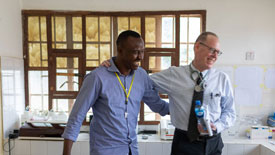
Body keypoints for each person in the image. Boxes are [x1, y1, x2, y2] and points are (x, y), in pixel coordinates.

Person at [101, 32, 236, 155]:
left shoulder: (222, 79)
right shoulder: (174, 75)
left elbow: (230, 112)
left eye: (218, 52)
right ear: (197, 47)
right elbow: (141, 81)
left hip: (214, 143)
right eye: (212, 50)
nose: (215, 56)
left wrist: (217, 126)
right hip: (184, 143)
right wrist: (114, 64)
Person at [62, 30, 169, 155]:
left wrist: (186, 108)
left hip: (132, 150)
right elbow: (77, 116)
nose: (140, 57)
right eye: (135, 52)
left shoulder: (141, 76)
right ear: (120, 50)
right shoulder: (97, 77)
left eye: (142, 51)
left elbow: (158, 105)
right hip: (105, 151)